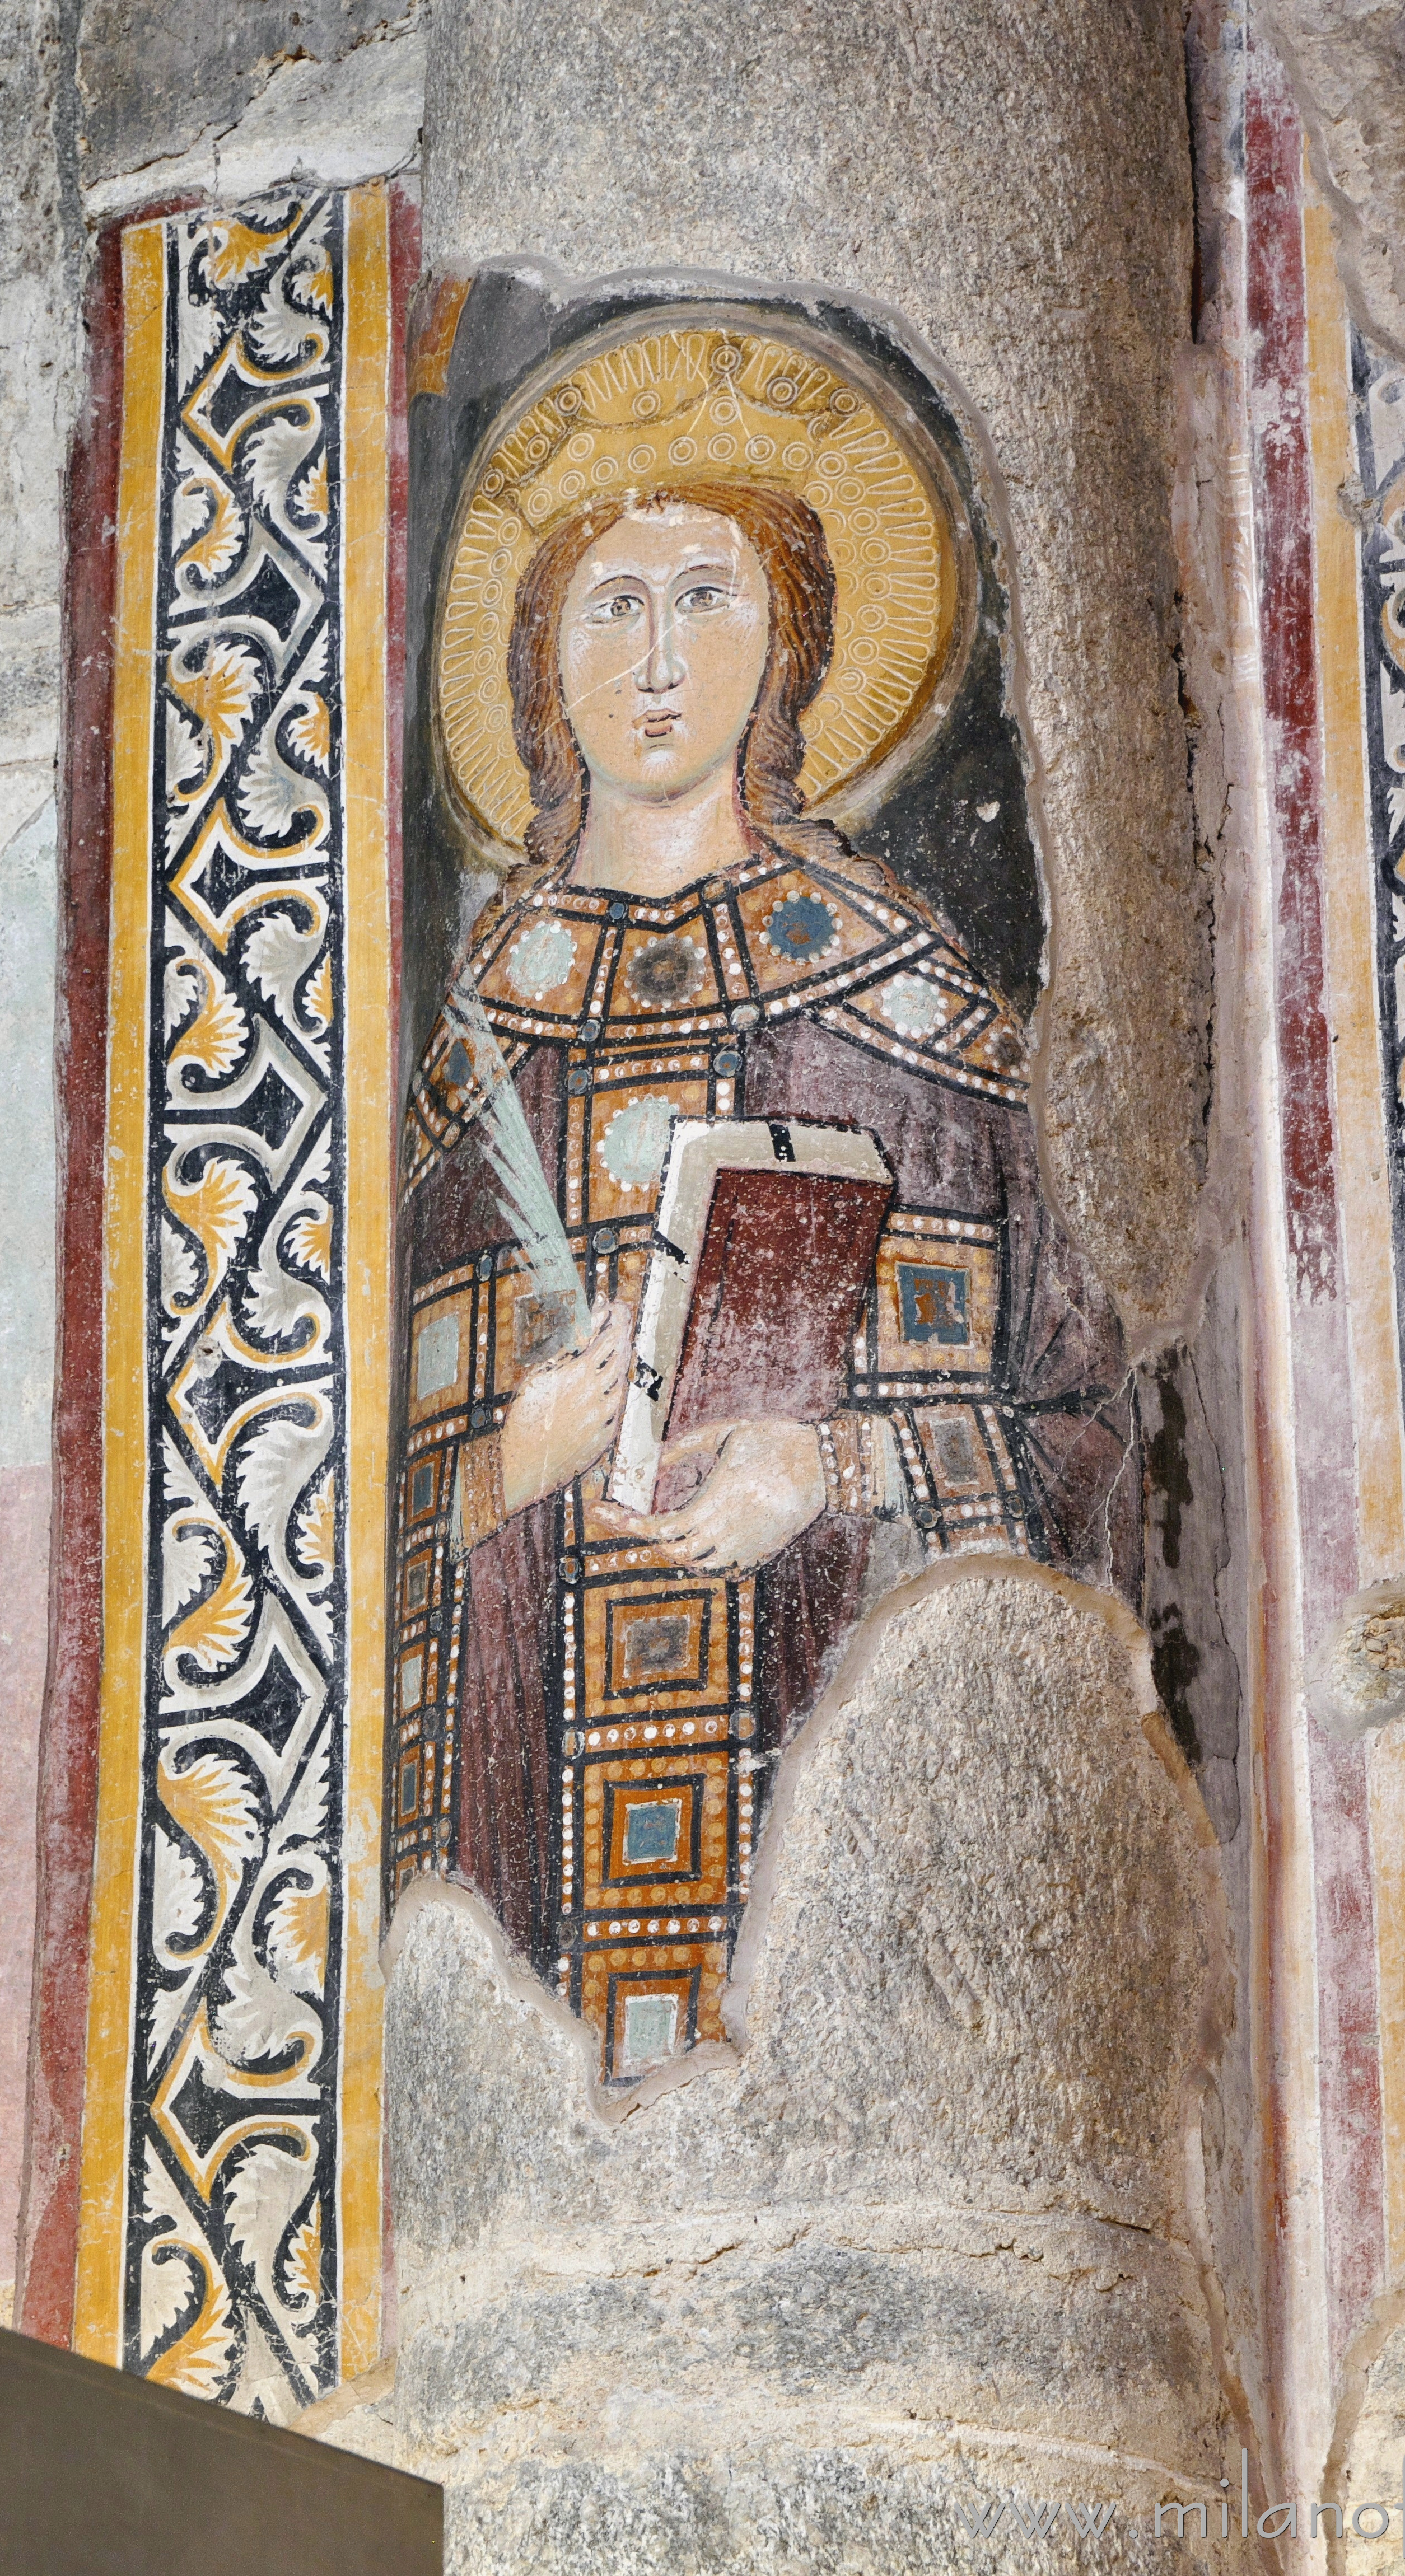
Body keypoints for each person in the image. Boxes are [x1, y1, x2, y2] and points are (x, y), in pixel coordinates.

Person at [391, 477, 1137, 2078]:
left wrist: (838, 1467)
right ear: (539, 666)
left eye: (708, 597)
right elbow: (292, 1518)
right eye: (613, 603)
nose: (659, 659)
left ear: (788, 652)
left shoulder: (904, 1007)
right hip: (522, 1865)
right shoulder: (468, 1055)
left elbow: (1087, 1426)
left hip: (843, 1850)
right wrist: (499, 1471)